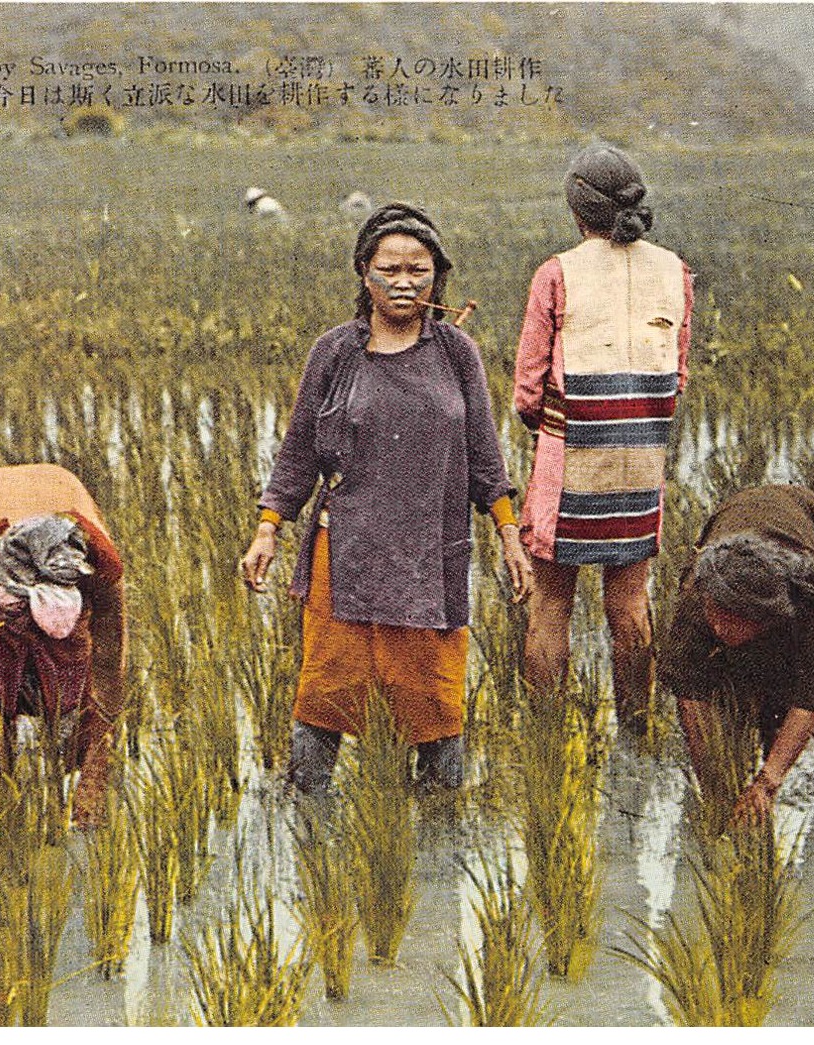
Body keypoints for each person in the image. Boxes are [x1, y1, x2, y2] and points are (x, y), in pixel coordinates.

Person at [240, 202, 532, 795]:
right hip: (345, 550)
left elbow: (484, 454)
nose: (404, 284)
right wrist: (268, 528)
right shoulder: (335, 353)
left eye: (418, 271)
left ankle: (437, 831)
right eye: (389, 270)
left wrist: (509, 536)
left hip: (432, 554)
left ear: (438, 277)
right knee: (328, 687)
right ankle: (307, 815)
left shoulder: (456, 354)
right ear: (364, 274)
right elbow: (297, 453)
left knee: (432, 693)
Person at [513, 144, 694, 725]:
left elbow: (528, 387)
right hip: (641, 459)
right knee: (629, 602)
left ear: (576, 213)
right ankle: (635, 727)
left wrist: (546, 428)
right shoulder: (675, 270)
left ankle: (545, 737)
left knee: (551, 604)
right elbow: (680, 373)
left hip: (568, 457)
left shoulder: (556, 273)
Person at [658, 484, 814, 829]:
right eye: (716, 614)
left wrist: (767, 783)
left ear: (768, 617)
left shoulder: (813, 597)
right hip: (736, 521)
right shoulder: (698, 592)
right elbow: (690, 693)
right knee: (734, 687)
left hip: (811, 524)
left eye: (733, 620)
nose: (719, 628)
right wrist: (716, 787)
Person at [0, 463, 126, 827]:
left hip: (63, 485)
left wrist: (94, 768)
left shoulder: (100, 569)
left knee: (72, 669)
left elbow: (110, 664)